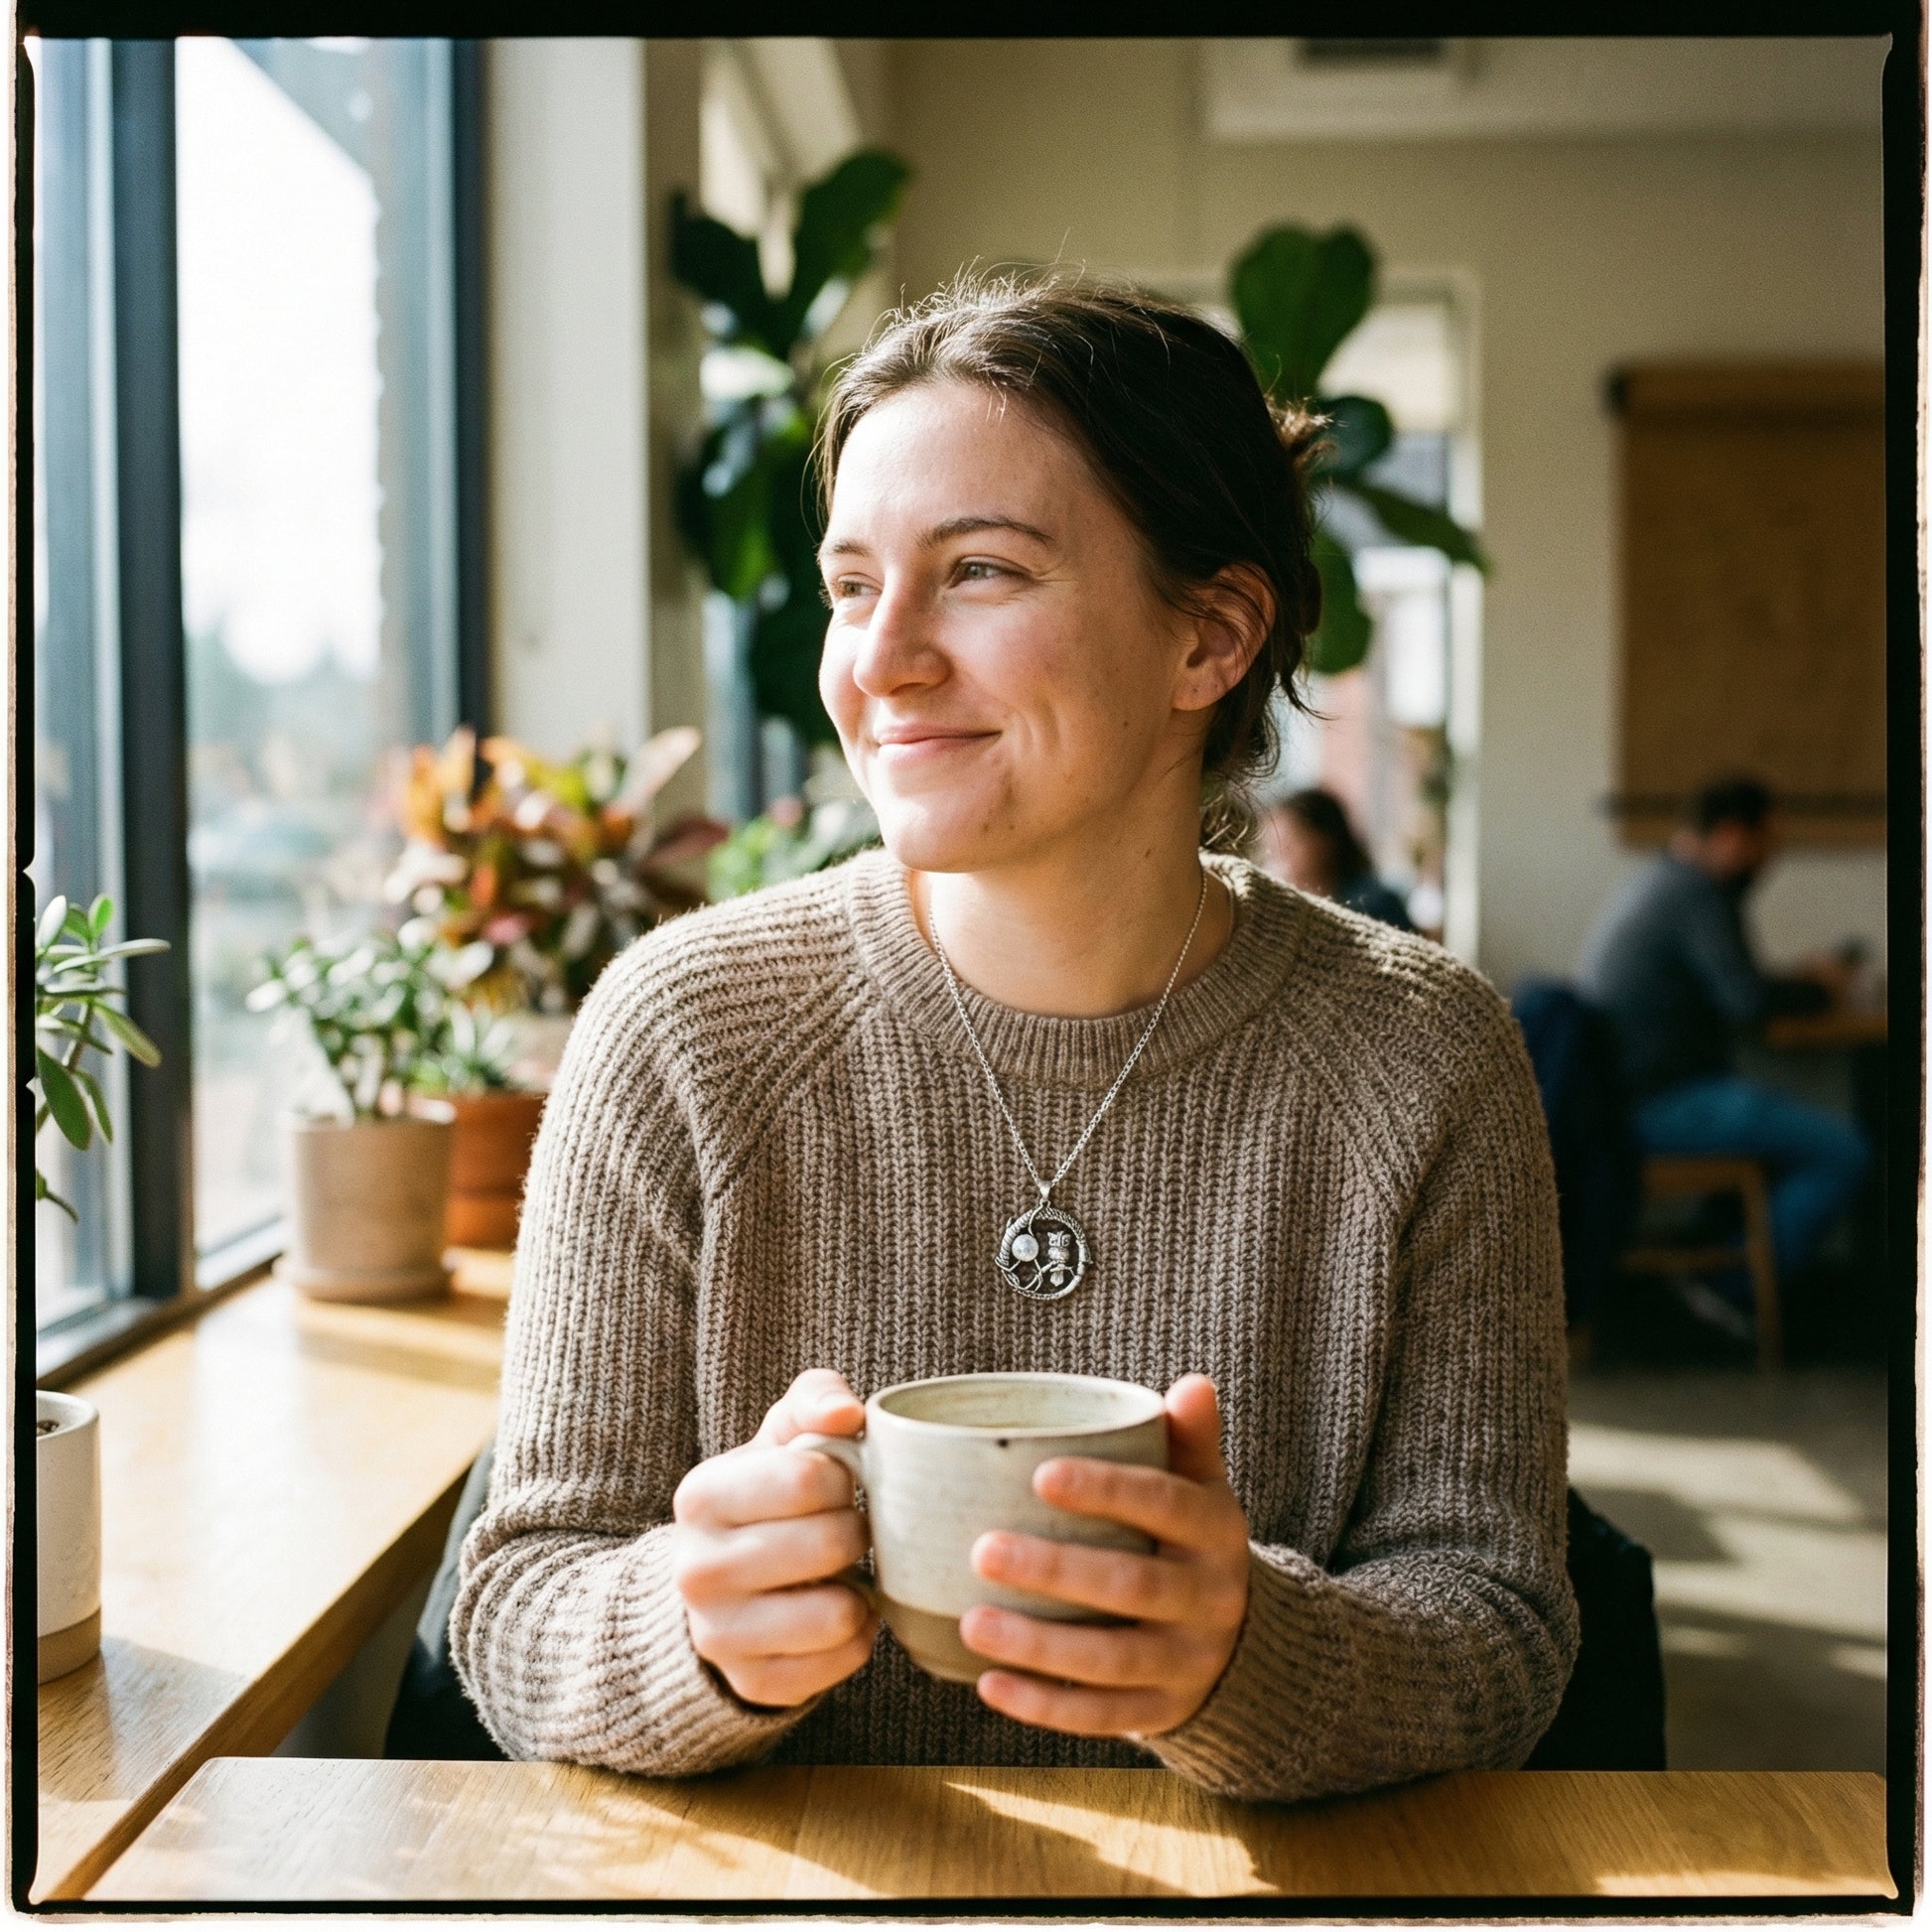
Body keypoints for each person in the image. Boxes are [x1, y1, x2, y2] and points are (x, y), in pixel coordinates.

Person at [450, 275, 1576, 1803]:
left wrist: (1248, 1650)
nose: (881, 657)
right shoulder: (681, 1029)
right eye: (853, 585)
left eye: (976, 570)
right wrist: (690, 1628)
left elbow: (1497, 1625)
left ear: (1210, 637)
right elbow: (516, 1602)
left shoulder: (1421, 1057)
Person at [1577, 775, 1869, 1293]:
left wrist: (1802, 981)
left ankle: (1726, 1263)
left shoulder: (1658, 882)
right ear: (1735, 837)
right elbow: (1746, 1000)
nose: (1770, 860)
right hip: (1658, 1105)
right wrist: (1822, 988)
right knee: (1844, 1151)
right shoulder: (1695, 893)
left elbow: (1736, 985)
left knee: (1781, 1127)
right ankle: (1733, 1286)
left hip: (1622, 1098)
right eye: (1768, 844)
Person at [1256, 786, 1417, 930]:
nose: (1279, 854)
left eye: (1291, 841)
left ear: (1325, 841)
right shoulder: (1277, 907)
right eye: (1271, 845)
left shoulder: (1372, 904)